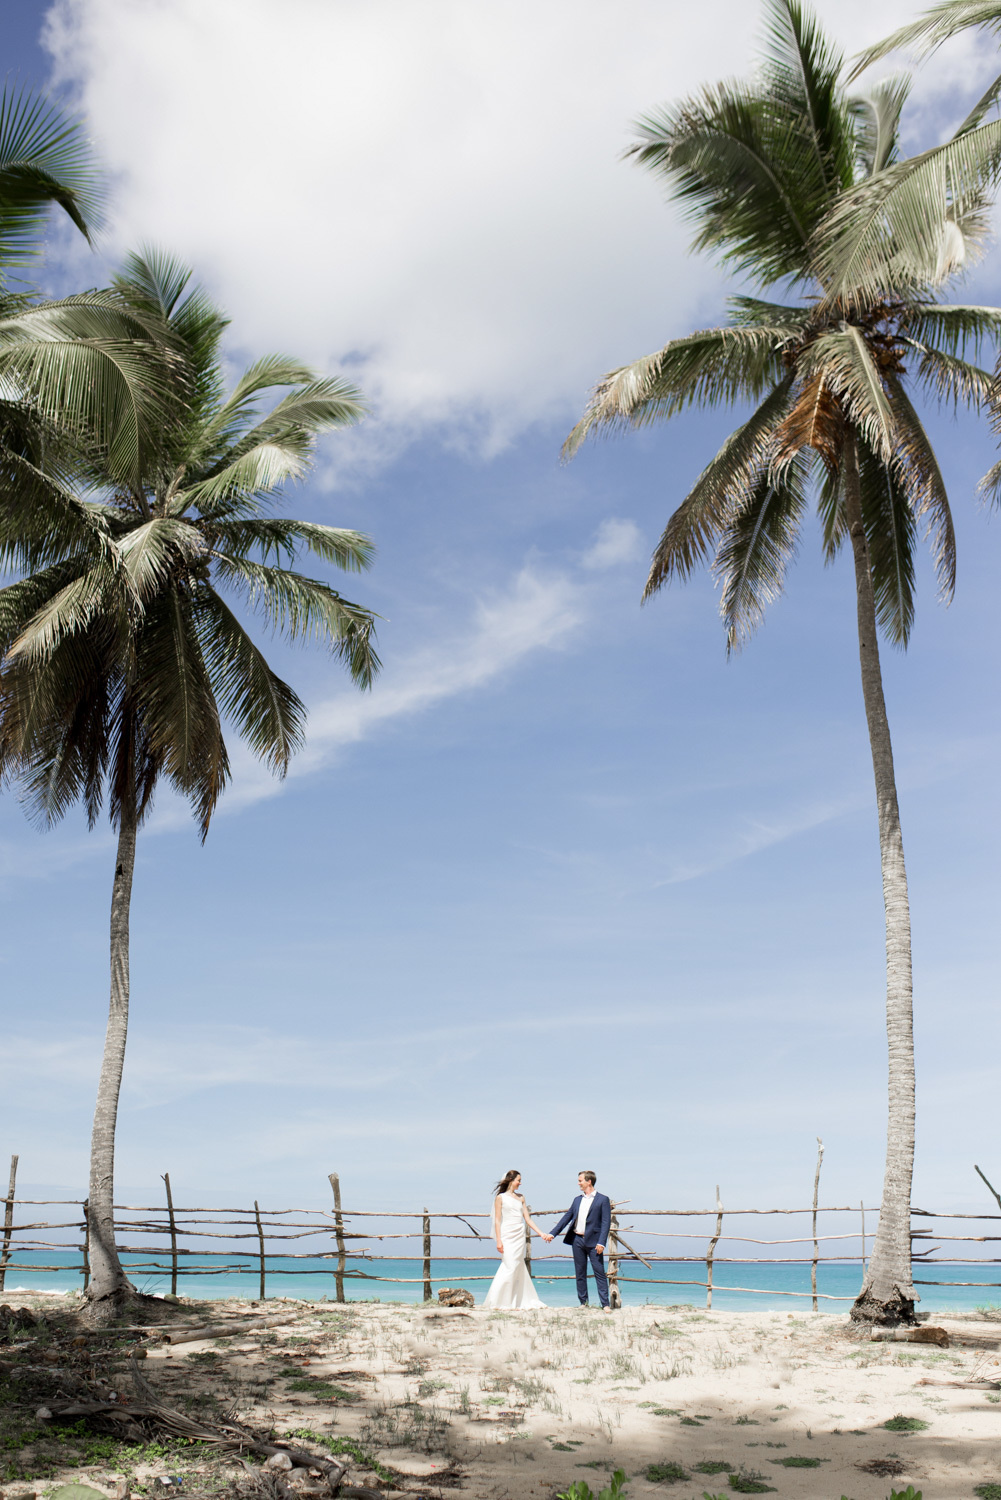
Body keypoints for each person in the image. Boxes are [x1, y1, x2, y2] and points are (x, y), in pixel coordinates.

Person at [482, 1170, 550, 1309]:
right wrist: (499, 1240)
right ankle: (499, 1300)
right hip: (507, 1234)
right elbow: (497, 1221)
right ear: (511, 1180)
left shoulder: (521, 1197)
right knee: (509, 1266)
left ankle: (517, 1300)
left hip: (519, 1235)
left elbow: (527, 1219)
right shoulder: (500, 1198)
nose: (520, 1182)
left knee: (517, 1265)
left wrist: (541, 1233)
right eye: (518, 1180)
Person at [549, 1170, 612, 1310]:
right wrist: (553, 1234)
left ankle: (605, 1304)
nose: (578, 1183)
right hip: (577, 1240)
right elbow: (567, 1218)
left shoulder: (603, 1199)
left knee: (599, 1272)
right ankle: (583, 1303)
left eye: (580, 1180)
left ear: (589, 1181)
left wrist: (602, 1242)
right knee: (580, 1273)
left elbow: (606, 1223)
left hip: (595, 1242)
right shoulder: (577, 1199)